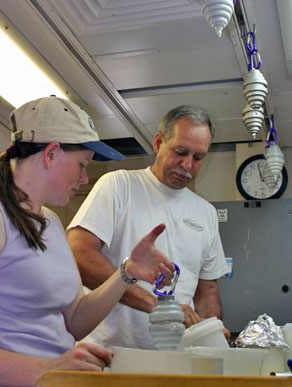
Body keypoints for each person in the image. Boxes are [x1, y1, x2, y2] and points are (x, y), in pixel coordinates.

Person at [0, 96, 175, 387]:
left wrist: (126, 273)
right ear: (51, 154)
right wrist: (48, 369)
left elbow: (75, 319)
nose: (84, 178)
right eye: (81, 165)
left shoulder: (50, 221)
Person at [67, 104, 229, 350]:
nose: (187, 165)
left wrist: (212, 331)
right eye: (180, 152)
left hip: (177, 357)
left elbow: (206, 290)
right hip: (109, 353)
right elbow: (78, 254)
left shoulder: (205, 213)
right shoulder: (119, 185)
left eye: (198, 158)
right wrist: (158, 306)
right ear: (158, 143)